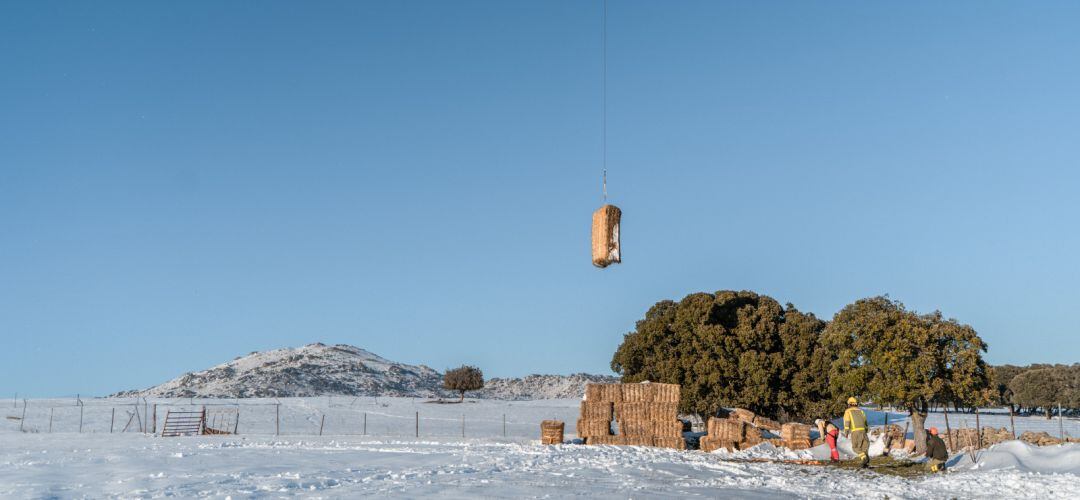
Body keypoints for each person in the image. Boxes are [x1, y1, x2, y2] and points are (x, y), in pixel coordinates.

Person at [843, 396, 869, 468]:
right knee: (864, 447)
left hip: (855, 432)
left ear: (849, 404)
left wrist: (846, 433)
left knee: (855, 447)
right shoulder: (861, 411)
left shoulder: (848, 411)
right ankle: (865, 463)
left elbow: (847, 423)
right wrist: (866, 430)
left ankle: (864, 458)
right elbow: (865, 422)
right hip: (863, 431)